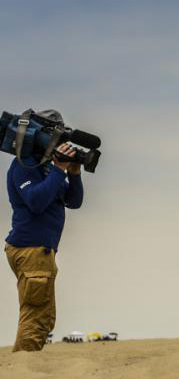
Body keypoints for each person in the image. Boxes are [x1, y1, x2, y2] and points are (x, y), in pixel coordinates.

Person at [4, 109, 85, 352]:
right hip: (31, 250)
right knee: (36, 318)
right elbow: (36, 201)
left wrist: (73, 173)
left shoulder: (46, 168)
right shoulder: (24, 165)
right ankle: (21, 368)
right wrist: (59, 169)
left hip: (39, 251)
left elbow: (74, 201)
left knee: (43, 317)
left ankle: (20, 365)